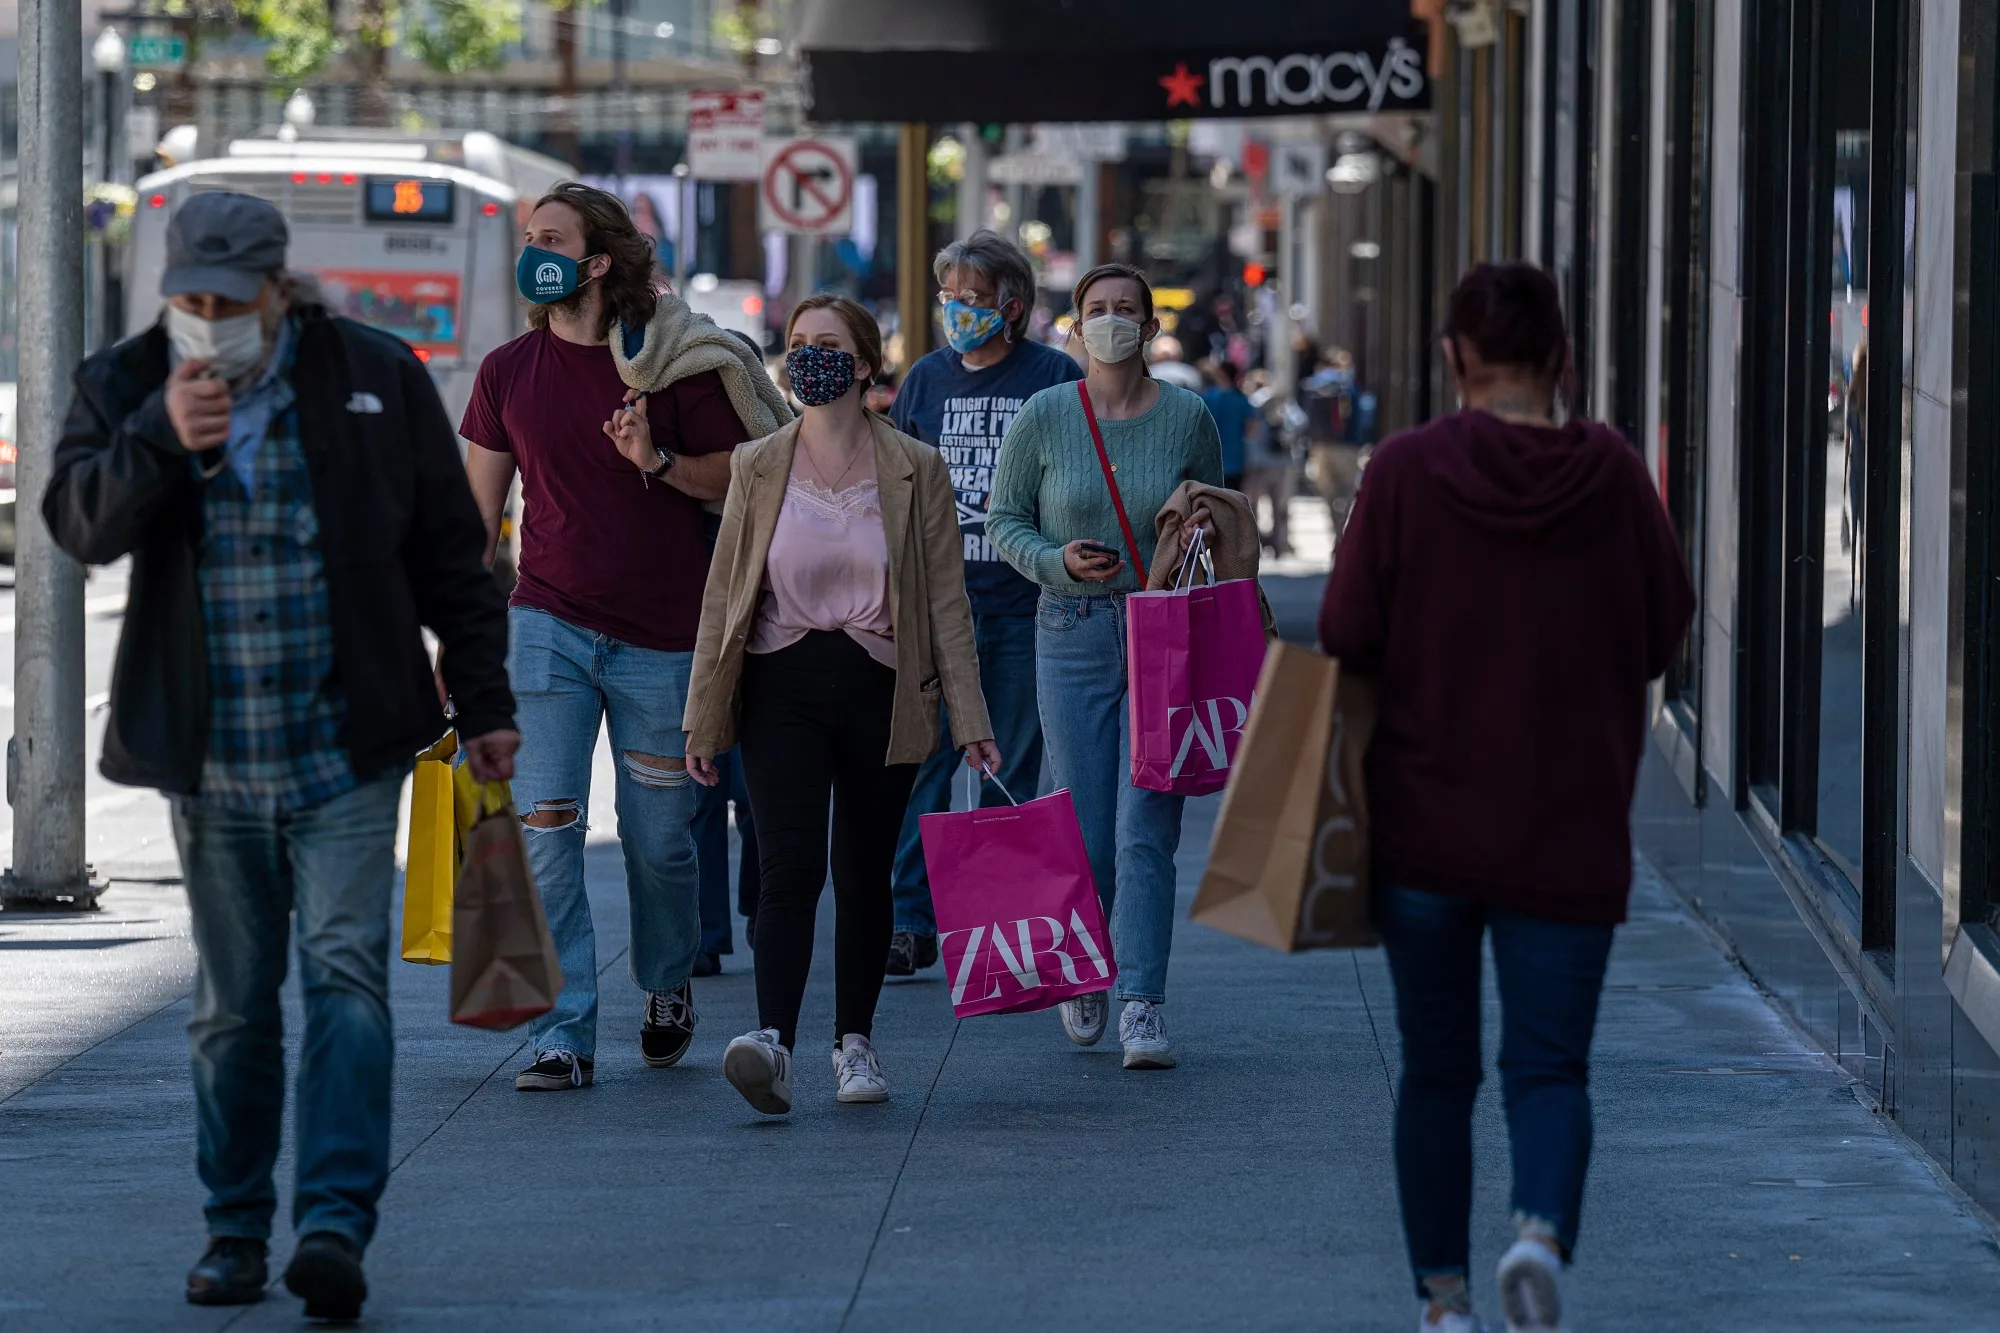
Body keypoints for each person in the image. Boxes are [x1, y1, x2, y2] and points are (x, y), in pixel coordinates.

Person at [44, 191, 515, 1320]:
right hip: (212, 758)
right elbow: (73, 524)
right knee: (231, 1006)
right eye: (188, 298)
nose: (207, 319)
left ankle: (336, 1226)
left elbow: (454, 550)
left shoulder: (372, 373)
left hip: (347, 744)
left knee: (346, 978)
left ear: (275, 285)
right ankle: (234, 1229)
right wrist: (159, 435)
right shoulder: (124, 380)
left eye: (227, 298)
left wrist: (488, 700)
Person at [1317, 262, 1694, 1333]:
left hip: (1423, 832)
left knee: (1435, 1074)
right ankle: (1535, 1235)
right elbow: (1665, 626)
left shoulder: (1403, 470)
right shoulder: (1613, 474)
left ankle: (1440, 1302)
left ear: (1453, 358)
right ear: (1561, 357)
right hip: (1567, 832)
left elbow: (1343, 631)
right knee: (1548, 1066)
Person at [460, 183, 758, 1093]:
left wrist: (654, 459)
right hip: (546, 624)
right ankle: (564, 1030)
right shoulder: (506, 371)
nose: (531, 251)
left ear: (595, 261)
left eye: (550, 238)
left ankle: (666, 982)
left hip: (664, 638)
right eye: (527, 237)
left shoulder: (671, 366)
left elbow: (738, 477)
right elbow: (476, 521)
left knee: (662, 839)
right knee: (546, 824)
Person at [684, 294, 999, 1115]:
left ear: (864, 363)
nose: (808, 357)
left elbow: (946, 604)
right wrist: (703, 720)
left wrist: (971, 722)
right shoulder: (759, 463)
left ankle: (854, 1043)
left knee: (863, 870)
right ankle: (772, 1043)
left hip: (880, 684)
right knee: (788, 865)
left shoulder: (914, 467)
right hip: (779, 682)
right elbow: (724, 595)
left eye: (827, 345)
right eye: (796, 344)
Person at [988, 262, 1223, 1071]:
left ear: (1152, 329)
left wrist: (1190, 534)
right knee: (1083, 826)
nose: (1113, 320)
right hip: (1071, 629)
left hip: (1161, 630)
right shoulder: (1047, 415)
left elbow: (1215, 521)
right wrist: (1056, 561)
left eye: (1128, 309)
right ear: (1075, 327)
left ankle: (1144, 1001)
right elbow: (1004, 520)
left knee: (1144, 825)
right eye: (1098, 309)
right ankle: (1082, 970)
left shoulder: (1189, 416)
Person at [883, 229, 1082, 979]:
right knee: (923, 762)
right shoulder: (926, 379)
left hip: (1026, 604)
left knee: (1011, 767)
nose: (957, 310)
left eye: (973, 298)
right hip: (940, 610)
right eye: (950, 297)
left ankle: (1001, 921)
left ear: (1012, 305)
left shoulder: (1053, 376)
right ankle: (910, 919)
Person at [1201, 358, 1257, 491]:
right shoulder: (1241, 400)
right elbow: (1252, 431)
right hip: (1236, 460)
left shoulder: (1208, 398)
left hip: (1211, 461)